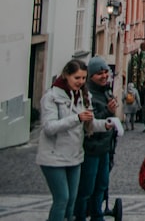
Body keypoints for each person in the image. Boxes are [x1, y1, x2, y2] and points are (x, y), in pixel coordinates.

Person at [36, 59, 110, 221]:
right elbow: (49, 128)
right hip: (53, 157)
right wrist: (76, 118)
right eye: (77, 78)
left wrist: (106, 125)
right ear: (66, 76)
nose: (81, 82)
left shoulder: (83, 96)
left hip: (74, 156)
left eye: (83, 78)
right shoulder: (52, 97)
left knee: (71, 201)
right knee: (62, 199)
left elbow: (88, 125)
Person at [75, 56, 123, 221]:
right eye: (99, 74)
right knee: (87, 187)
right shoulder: (87, 94)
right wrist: (108, 112)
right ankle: (80, 216)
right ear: (91, 76)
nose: (104, 76)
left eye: (105, 72)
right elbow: (90, 122)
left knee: (102, 184)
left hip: (105, 147)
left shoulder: (106, 91)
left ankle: (97, 215)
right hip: (91, 148)